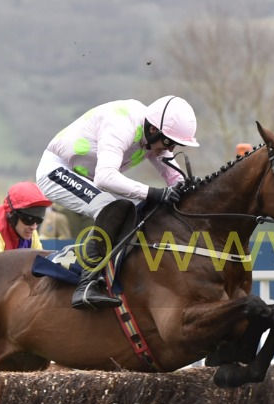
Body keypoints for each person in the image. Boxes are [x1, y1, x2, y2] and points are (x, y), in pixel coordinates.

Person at [34, 95, 197, 309]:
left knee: (128, 211)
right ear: (153, 130)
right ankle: (86, 284)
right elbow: (105, 177)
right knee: (112, 208)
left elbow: (175, 179)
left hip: (87, 177)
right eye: (169, 143)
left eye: (175, 145)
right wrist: (154, 193)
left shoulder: (154, 136)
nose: (170, 149)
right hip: (57, 170)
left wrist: (190, 190)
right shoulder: (123, 124)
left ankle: (111, 274)